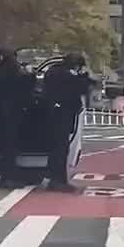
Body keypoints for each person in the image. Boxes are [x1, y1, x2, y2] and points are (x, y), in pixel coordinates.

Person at [42, 53, 92, 192]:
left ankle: (53, 178)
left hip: (52, 113)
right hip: (63, 115)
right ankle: (58, 180)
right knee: (61, 148)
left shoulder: (51, 72)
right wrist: (83, 76)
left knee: (55, 147)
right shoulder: (69, 77)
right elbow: (81, 89)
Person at [0, 47, 31, 185]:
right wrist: (31, 75)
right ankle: (10, 176)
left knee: (3, 145)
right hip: (13, 112)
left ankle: (6, 175)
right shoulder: (16, 72)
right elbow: (27, 87)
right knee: (11, 146)